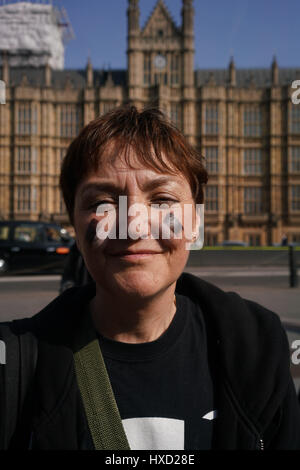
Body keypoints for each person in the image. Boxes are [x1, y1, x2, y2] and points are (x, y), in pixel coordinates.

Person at [1, 106, 300, 450]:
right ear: (75, 224)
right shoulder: (13, 365)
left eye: (162, 200)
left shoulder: (259, 350)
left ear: (197, 221)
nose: (135, 226)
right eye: (103, 202)